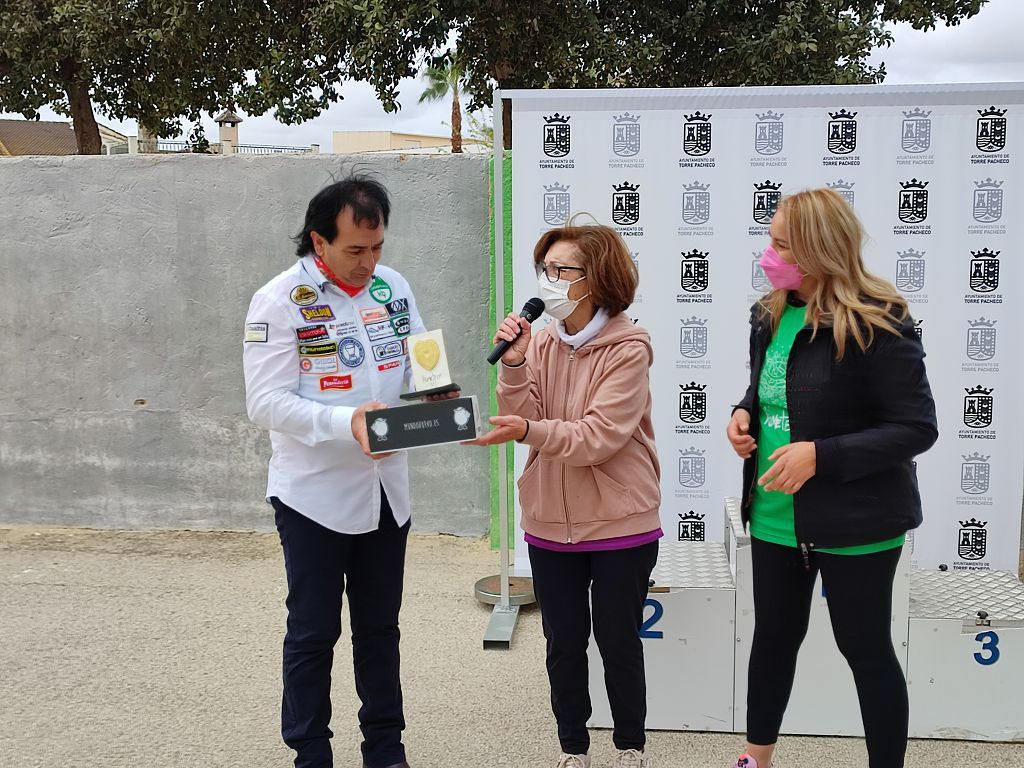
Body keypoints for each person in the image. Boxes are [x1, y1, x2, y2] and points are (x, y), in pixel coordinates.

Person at [243, 173, 454, 768]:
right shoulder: (279, 301)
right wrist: (347, 423)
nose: (369, 262)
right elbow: (264, 402)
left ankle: (386, 749)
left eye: (378, 246)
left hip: (388, 494)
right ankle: (310, 751)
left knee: (380, 630)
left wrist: (438, 393)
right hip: (315, 496)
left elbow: (421, 365)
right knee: (313, 633)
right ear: (319, 241)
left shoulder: (394, 287)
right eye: (355, 250)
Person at [725, 188, 938, 768]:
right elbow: (769, 388)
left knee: (866, 649)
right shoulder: (769, 313)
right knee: (772, 640)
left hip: (857, 521)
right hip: (773, 515)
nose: (770, 253)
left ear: (821, 249)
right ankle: (756, 757)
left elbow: (916, 428)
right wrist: (744, 414)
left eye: (782, 244)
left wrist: (821, 455)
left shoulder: (879, 321)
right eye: (770, 240)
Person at [470, 222, 662, 768]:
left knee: (619, 640)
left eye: (562, 271)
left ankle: (630, 749)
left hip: (621, 521)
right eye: (544, 270)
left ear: (596, 278)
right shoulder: (545, 340)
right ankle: (572, 749)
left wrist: (528, 432)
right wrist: (514, 362)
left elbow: (599, 438)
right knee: (563, 644)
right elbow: (526, 414)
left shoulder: (628, 348)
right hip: (550, 519)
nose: (549, 281)